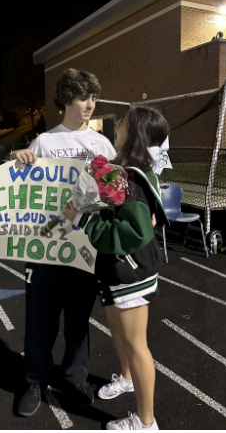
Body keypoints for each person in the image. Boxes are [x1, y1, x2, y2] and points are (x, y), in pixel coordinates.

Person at [10, 68, 116, 417]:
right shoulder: (43, 142)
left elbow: (115, 193)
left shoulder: (103, 145)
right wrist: (15, 161)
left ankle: (74, 378)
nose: (91, 104)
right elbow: (19, 188)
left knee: (77, 321)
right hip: (45, 245)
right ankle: (33, 378)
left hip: (85, 248)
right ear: (67, 99)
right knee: (40, 318)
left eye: (94, 98)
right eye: (85, 97)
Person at [64, 106, 169, 430]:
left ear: (134, 132)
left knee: (137, 344)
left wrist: (81, 218)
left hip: (130, 270)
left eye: (122, 122)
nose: (117, 125)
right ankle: (126, 378)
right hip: (116, 268)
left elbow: (134, 233)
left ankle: (146, 421)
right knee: (115, 323)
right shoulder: (123, 167)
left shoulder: (132, 176)